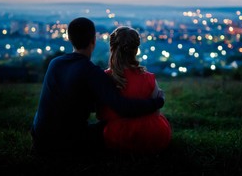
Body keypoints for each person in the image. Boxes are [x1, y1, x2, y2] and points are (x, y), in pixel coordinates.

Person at [31, 17, 164, 155]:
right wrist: (157, 102)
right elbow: (123, 107)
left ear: (69, 38)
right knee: (108, 128)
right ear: (93, 41)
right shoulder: (91, 72)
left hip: (39, 139)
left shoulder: (55, 63)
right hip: (66, 145)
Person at [97, 26, 172, 154]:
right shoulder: (149, 78)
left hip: (118, 135)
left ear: (112, 48)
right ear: (136, 50)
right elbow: (155, 113)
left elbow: (100, 114)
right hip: (153, 135)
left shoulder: (105, 78)